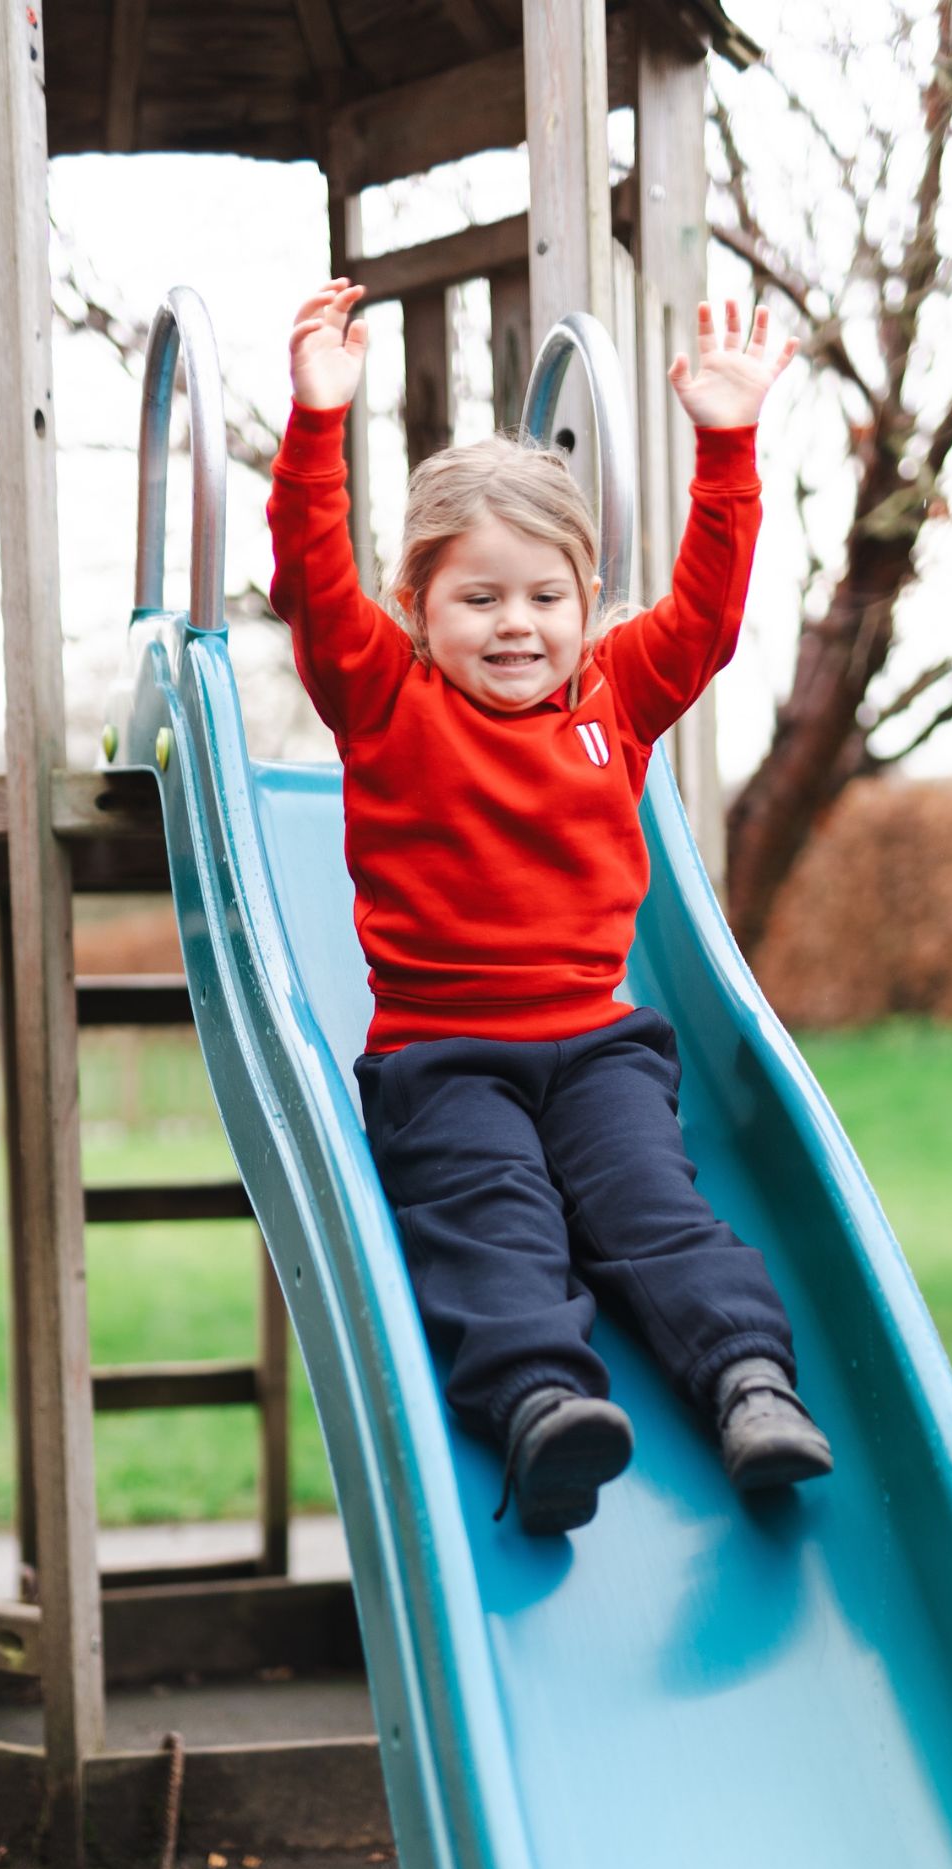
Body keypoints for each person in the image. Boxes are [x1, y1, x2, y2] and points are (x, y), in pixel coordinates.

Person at [268, 277, 833, 1536]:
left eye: (545, 597)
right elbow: (311, 583)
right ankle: (539, 1408)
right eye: (479, 599)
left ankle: (748, 1384)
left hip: (598, 1052)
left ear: (589, 608)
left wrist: (728, 447)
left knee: (655, 1211)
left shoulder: (616, 697)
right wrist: (317, 428)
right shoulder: (385, 700)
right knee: (492, 1226)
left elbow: (709, 615)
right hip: (442, 1062)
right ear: (416, 609)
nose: (516, 624)